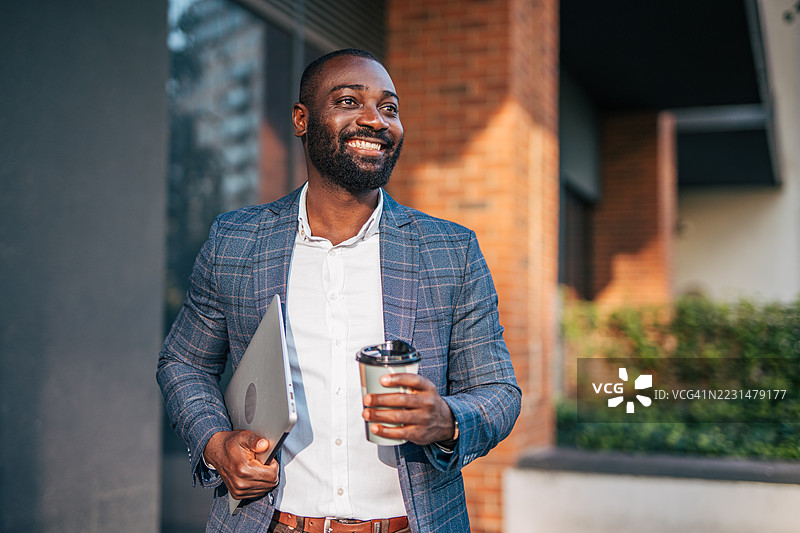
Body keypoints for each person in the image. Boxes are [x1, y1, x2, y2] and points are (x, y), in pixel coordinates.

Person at [157, 48, 521, 533]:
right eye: (349, 101)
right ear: (301, 119)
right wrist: (215, 444)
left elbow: (499, 391)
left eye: (389, 108)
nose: (375, 119)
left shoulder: (451, 251)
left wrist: (447, 420)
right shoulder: (236, 240)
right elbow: (183, 362)